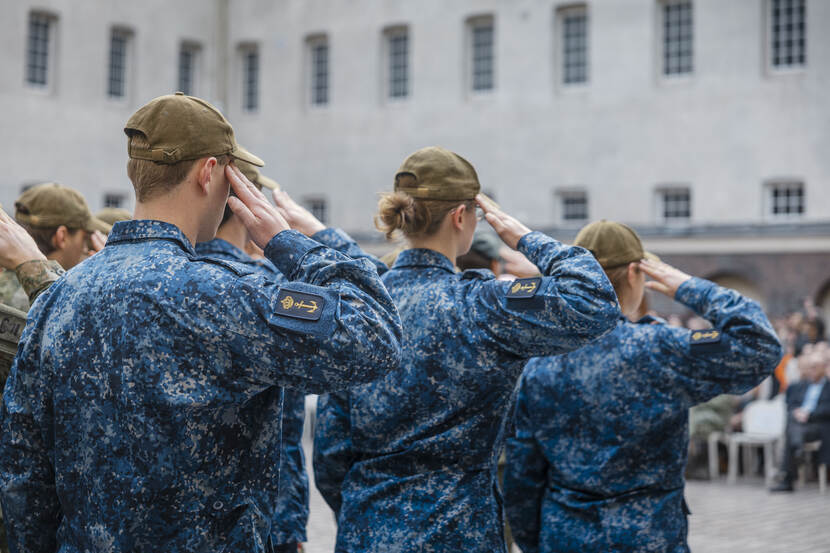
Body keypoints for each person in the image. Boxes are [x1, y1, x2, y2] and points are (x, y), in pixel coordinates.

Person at [0, 92, 402, 552]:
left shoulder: (59, 298)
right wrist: (290, 243)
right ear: (209, 173)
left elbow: (23, 471)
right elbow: (377, 336)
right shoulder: (228, 294)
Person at [311, 146, 621, 553]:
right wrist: (522, 236)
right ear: (461, 217)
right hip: (458, 530)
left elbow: (331, 453)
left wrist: (366, 512)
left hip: (368, 528)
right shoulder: (482, 305)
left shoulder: (361, 305)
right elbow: (594, 301)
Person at [504, 220, 782, 553]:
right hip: (649, 535)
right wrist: (688, 286)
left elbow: (523, 474)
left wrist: (535, 542)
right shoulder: (661, 348)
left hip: (566, 533)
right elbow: (761, 345)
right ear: (636, 274)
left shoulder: (541, 360)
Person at [194, 156, 309, 551]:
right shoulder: (267, 288)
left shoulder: (151, 278)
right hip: (260, 515)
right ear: (244, 206)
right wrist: (293, 243)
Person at [0, 184, 108, 311]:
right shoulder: (60, 300)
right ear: (61, 236)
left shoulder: (6, 287)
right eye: (85, 239)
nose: (85, 249)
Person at [770, 344, 830, 492]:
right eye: (810, 367)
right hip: (799, 424)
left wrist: (808, 414)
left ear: (824, 367)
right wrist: (798, 412)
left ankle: (787, 480)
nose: (812, 370)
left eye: (815, 366)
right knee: (792, 424)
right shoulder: (801, 385)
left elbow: (828, 409)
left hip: (817, 425)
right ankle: (798, 449)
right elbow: (791, 405)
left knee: (791, 431)